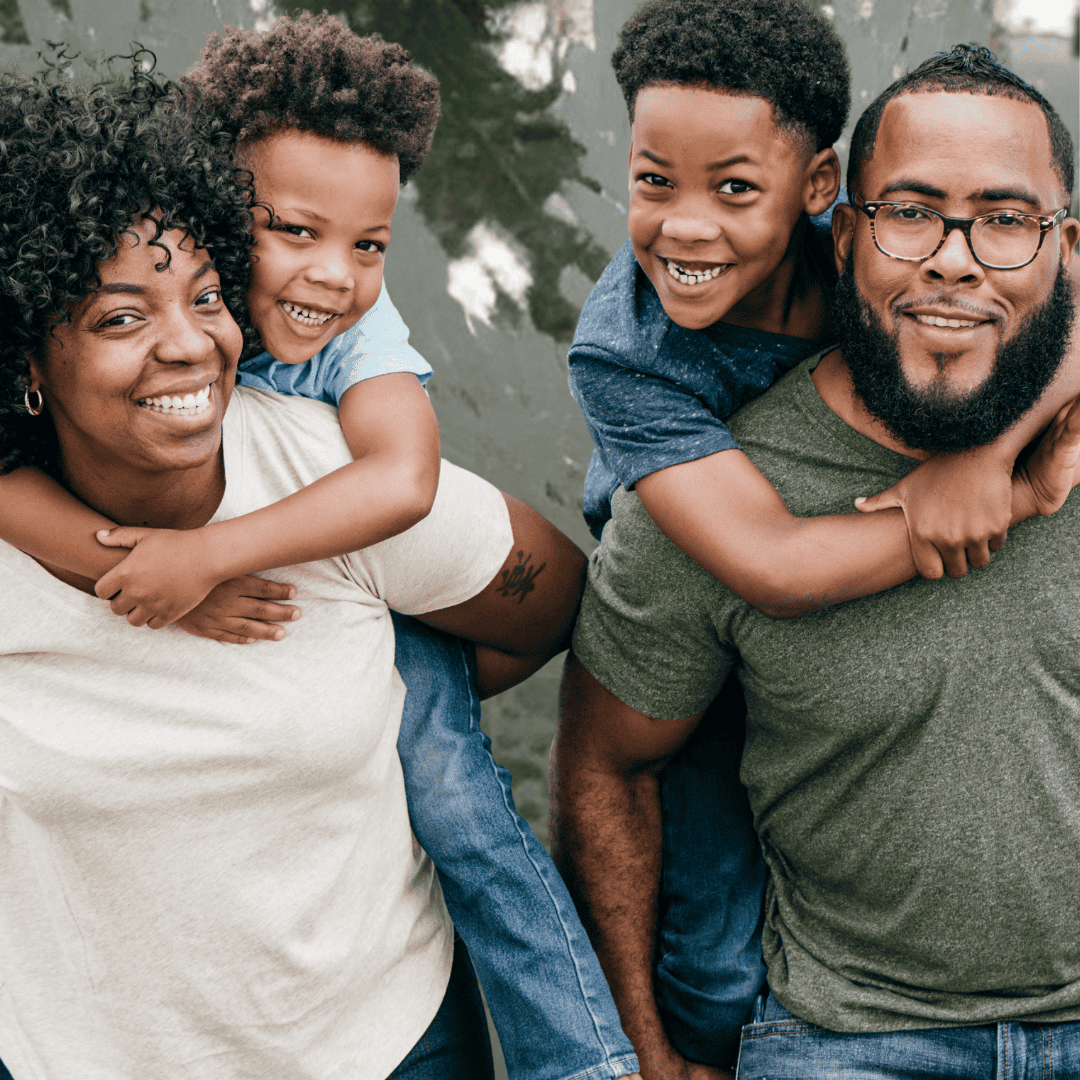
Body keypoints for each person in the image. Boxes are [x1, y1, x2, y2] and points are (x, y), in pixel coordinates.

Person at [0, 17, 640, 1080]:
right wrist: (139, 570)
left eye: (205, 298)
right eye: (119, 318)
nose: (186, 341)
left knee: (462, 807)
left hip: (381, 1039)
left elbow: (450, 520)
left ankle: (584, 1058)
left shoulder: (332, 415)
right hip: (73, 1051)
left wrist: (362, 673)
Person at [565, 2, 1080, 1067]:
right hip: (847, 1030)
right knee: (710, 928)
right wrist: (644, 1050)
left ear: (1064, 250)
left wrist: (992, 459)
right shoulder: (671, 438)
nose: (953, 259)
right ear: (844, 233)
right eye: (911, 213)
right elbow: (608, 765)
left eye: (1004, 219)